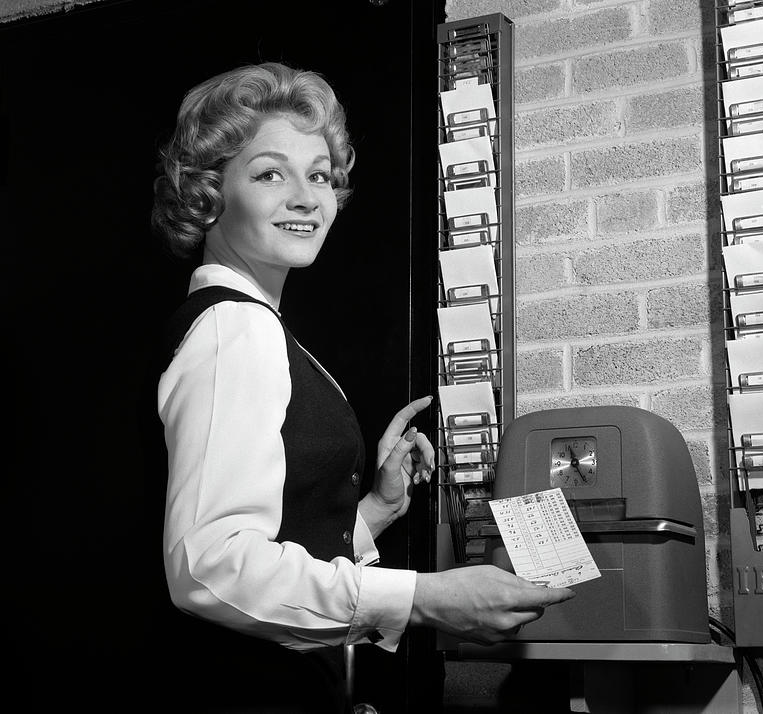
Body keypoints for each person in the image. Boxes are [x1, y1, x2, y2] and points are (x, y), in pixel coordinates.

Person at [150, 62, 574, 714]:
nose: (305, 196)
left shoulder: (250, 325)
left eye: (318, 174)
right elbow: (210, 567)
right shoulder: (235, 330)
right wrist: (425, 597)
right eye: (269, 173)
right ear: (209, 193)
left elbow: (278, 540)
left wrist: (377, 505)